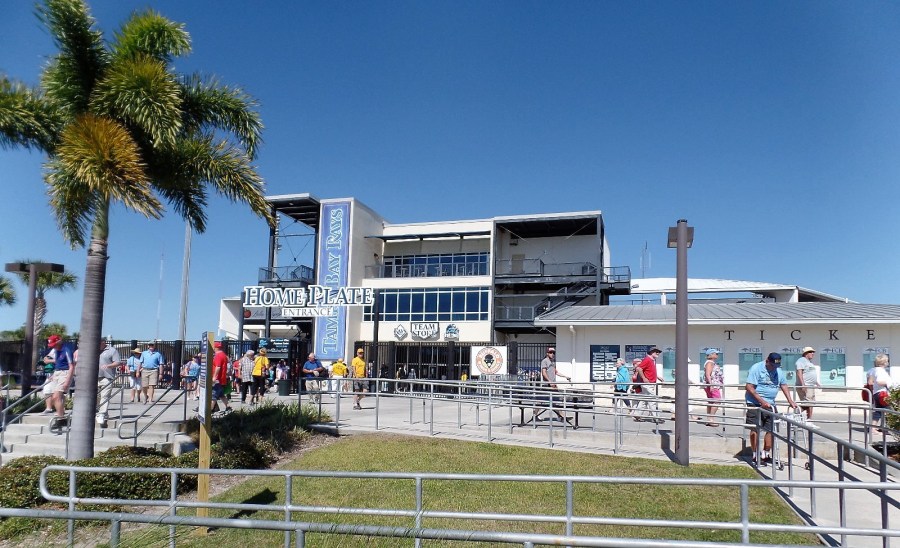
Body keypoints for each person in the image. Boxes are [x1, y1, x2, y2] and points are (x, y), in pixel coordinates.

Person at [745, 352, 798, 466]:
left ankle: (765, 454)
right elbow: (749, 387)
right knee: (755, 429)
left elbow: (783, 385)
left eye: (776, 366)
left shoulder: (778, 370)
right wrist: (762, 401)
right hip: (755, 403)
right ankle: (755, 454)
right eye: (772, 366)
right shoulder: (756, 368)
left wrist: (790, 400)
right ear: (767, 361)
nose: (774, 368)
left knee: (771, 429)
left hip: (770, 404)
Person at [42, 335, 75, 421]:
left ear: (59, 341)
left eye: (54, 344)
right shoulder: (56, 350)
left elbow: (71, 366)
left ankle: (60, 418)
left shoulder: (66, 350)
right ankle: (61, 414)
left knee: (56, 396)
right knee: (56, 396)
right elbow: (58, 362)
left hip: (65, 372)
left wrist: (67, 381)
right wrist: (54, 375)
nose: (53, 346)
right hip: (57, 372)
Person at [95, 339, 123, 428]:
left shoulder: (112, 350)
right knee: (97, 397)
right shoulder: (94, 350)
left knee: (105, 396)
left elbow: (118, 362)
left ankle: (102, 414)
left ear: (103, 342)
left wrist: (108, 366)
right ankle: (103, 413)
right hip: (95, 377)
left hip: (107, 377)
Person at [538, 347, 570, 422]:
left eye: (553, 353)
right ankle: (535, 415)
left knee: (556, 401)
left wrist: (565, 376)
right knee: (540, 401)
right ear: (547, 353)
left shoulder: (552, 363)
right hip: (547, 385)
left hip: (553, 385)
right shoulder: (544, 361)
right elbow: (544, 373)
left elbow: (556, 372)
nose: (552, 354)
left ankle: (561, 416)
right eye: (550, 352)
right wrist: (550, 381)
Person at [868, 353, 896, 435]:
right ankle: (886, 428)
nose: (888, 363)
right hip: (883, 393)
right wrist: (889, 382)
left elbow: (870, 382)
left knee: (879, 411)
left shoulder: (872, 370)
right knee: (889, 411)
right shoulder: (880, 371)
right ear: (884, 363)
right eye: (887, 361)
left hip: (876, 393)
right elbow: (879, 381)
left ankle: (874, 428)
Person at [633, 348, 662, 422]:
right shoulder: (647, 359)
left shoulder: (652, 360)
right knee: (652, 400)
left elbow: (649, 371)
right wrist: (644, 378)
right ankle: (656, 417)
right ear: (652, 352)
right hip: (648, 384)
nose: (658, 353)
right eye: (657, 352)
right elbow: (639, 368)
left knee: (644, 400)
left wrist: (657, 377)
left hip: (650, 383)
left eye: (659, 352)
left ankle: (637, 414)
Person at [795, 347, 821, 425]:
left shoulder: (809, 362)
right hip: (806, 385)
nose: (812, 353)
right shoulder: (801, 361)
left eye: (813, 352)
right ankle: (796, 414)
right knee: (807, 403)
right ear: (806, 353)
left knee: (811, 402)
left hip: (811, 385)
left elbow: (810, 373)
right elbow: (799, 372)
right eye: (810, 352)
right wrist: (803, 384)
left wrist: (816, 382)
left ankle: (809, 419)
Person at [703, 349, 724, 427]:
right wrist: (711, 384)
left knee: (711, 401)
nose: (717, 355)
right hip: (713, 385)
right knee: (717, 401)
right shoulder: (710, 363)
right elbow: (708, 374)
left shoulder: (711, 363)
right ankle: (711, 419)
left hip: (712, 384)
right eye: (716, 354)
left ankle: (709, 419)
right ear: (711, 354)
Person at [211, 341, 232, 413]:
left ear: (215, 348)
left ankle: (210, 409)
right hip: (222, 379)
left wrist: (214, 377)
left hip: (217, 379)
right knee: (221, 395)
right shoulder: (224, 355)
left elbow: (218, 367)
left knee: (213, 395)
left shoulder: (218, 356)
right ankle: (228, 407)